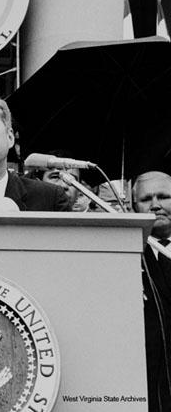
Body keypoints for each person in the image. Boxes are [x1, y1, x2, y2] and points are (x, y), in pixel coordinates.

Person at [132, 171, 171, 411]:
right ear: (134, 206)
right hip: (150, 383)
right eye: (146, 199)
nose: (155, 205)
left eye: (164, 196)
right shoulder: (128, 256)